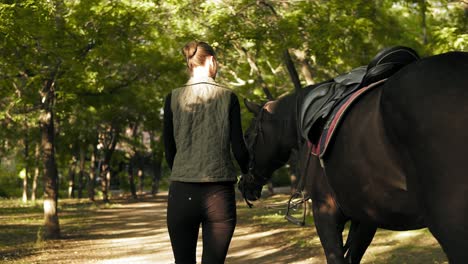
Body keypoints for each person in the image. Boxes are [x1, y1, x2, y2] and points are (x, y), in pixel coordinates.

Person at [163, 41, 249, 264]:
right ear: (211, 60)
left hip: (181, 191)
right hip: (219, 194)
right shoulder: (228, 97)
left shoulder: (172, 98)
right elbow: (239, 149)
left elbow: (169, 149)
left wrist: (184, 171)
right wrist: (249, 173)